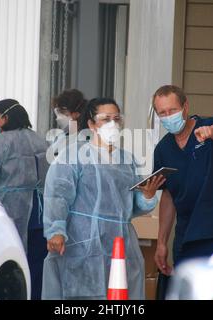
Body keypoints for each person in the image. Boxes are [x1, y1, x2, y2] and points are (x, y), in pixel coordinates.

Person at [42, 98, 165, 300]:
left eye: (116, 118)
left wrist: (148, 196)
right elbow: (57, 195)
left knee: (121, 297)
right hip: (81, 243)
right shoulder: (73, 156)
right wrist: (56, 230)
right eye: (105, 118)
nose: (113, 123)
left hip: (121, 244)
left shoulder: (127, 160)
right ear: (91, 124)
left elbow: (133, 205)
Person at [152, 85, 213, 276]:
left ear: (185, 107)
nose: (168, 116)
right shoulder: (163, 149)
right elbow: (168, 196)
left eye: (173, 110)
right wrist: (161, 242)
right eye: (162, 113)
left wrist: (210, 131)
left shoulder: (208, 125)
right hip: (188, 236)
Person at [0, 99, 49, 300]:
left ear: (6, 118)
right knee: (36, 269)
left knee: (8, 269)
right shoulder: (40, 140)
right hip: (40, 215)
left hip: (11, 214)